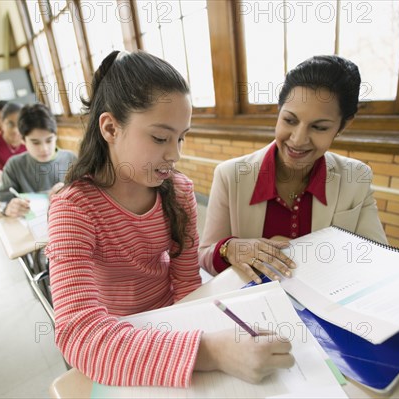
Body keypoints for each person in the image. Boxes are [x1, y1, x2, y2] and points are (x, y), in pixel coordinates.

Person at [45, 50, 294, 388]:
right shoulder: (73, 209)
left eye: (181, 137)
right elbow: (81, 335)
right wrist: (211, 352)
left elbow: (188, 286)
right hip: (118, 337)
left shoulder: (177, 191)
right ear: (110, 127)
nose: (175, 154)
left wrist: (205, 333)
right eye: (160, 138)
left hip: (174, 322)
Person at [199, 55, 387, 283]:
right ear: (278, 112)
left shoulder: (355, 177)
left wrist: (302, 252)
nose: (298, 140)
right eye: (289, 120)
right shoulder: (231, 175)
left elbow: (378, 257)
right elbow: (205, 256)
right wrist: (228, 248)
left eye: (319, 127)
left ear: (344, 125)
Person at [0, 103, 77, 219]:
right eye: (35, 142)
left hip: (70, 222)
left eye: (49, 140)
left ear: (56, 136)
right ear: (23, 140)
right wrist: (6, 209)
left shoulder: (71, 159)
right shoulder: (15, 165)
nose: (44, 149)